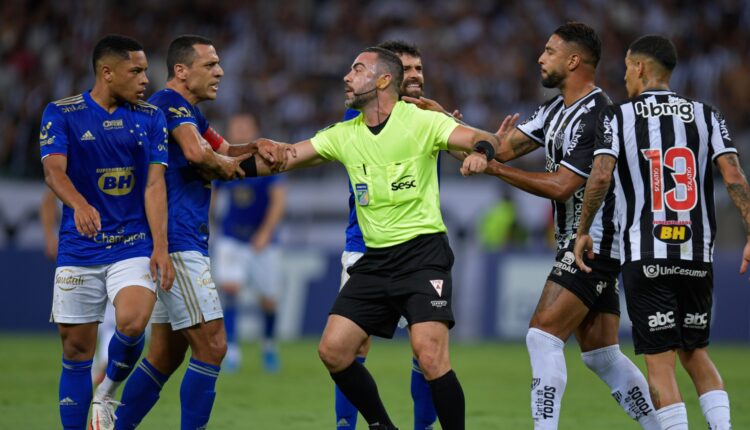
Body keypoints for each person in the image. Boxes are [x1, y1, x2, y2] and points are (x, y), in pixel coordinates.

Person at [247, 46, 499, 430]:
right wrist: (226, 162)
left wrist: (481, 151)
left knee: (429, 355)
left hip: (422, 255)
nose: (346, 77)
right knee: (333, 350)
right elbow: (284, 157)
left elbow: (484, 138)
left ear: (382, 80)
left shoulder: (420, 121)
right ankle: (383, 426)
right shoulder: (344, 134)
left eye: (357, 69)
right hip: (375, 259)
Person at [476, 22, 659, 429]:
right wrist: (440, 129)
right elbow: (502, 146)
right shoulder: (555, 109)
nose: (540, 58)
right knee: (601, 354)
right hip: (585, 242)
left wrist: (493, 170)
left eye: (549, 51)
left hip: (596, 241)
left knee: (541, 336)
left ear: (573, 60)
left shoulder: (600, 115)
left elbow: (562, 186)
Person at [574, 34, 750, 430]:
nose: (624, 79)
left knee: (660, 362)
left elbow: (600, 175)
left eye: (625, 70)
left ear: (638, 67)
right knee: (697, 353)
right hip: (696, 253)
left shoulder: (617, 115)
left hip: (646, 251)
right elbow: (734, 175)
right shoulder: (707, 114)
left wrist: (583, 229)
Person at [113, 35, 286, 430]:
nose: (220, 71)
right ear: (181, 71)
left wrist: (252, 146)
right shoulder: (170, 104)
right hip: (175, 242)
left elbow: (223, 148)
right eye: (210, 65)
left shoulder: (188, 112)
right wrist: (222, 165)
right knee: (213, 346)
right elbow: (197, 154)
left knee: (165, 355)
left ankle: (113, 425)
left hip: (175, 240)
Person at [39, 34, 174, 430]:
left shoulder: (150, 117)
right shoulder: (62, 113)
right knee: (77, 349)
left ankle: (107, 392)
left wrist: (161, 247)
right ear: (107, 72)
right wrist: (80, 204)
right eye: (136, 71)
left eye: (146, 70)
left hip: (133, 244)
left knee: (133, 322)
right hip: (80, 248)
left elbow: (154, 186)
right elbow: (53, 172)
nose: (146, 79)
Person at [335, 40, 444, 430]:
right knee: (350, 346)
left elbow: (473, 155)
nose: (414, 76)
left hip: (417, 250)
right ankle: (347, 426)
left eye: (418, 69)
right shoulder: (367, 116)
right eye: (407, 69)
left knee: (426, 350)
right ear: (388, 78)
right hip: (363, 246)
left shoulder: (431, 119)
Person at [213, 113, 287, 373]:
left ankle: (268, 345)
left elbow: (278, 200)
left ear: (255, 132)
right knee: (230, 289)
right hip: (232, 237)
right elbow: (213, 193)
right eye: (236, 128)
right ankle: (231, 349)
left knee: (268, 300)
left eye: (245, 127)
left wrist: (266, 233)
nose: (240, 132)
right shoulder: (224, 161)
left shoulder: (267, 162)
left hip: (262, 240)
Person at [41, 190, 117, 384]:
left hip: (121, 247)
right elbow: (49, 199)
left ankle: (102, 365)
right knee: (82, 327)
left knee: (116, 315)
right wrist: (49, 236)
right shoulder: (72, 167)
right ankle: (98, 367)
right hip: (81, 251)